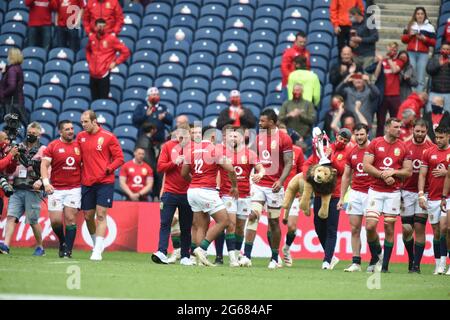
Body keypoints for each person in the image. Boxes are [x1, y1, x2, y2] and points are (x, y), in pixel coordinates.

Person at [239, 109, 293, 269]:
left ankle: (275, 258)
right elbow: (252, 158)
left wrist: (281, 180)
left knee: (274, 222)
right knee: (253, 216)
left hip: (274, 187)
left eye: (263, 121)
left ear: (272, 122)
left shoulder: (284, 138)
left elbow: (289, 162)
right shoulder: (259, 138)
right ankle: (247, 256)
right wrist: (250, 177)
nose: (260, 123)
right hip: (259, 185)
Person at [181, 126, 238, 267]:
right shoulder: (215, 150)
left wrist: (195, 182)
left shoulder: (191, 150)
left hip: (192, 191)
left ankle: (200, 259)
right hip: (206, 191)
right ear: (212, 137)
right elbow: (230, 168)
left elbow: (183, 173)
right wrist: (234, 185)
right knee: (225, 222)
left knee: (201, 225)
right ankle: (202, 248)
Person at [363, 118, 412, 273]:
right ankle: (378, 254)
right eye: (396, 127)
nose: (399, 130)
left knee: (389, 228)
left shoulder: (403, 147)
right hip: (375, 191)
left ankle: (384, 267)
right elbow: (366, 166)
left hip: (393, 193)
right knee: (370, 227)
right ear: (387, 128)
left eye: (400, 127)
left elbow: (408, 171)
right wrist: (383, 175)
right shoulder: (375, 143)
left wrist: (395, 172)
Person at [77, 110, 124, 261]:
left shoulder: (108, 137)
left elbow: (119, 158)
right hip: (87, 182)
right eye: (82, 122)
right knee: (88, 216)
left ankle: (97, 251)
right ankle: (96, 243)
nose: (83, 125)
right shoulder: (80, 137)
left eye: (85, 122)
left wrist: (109, 169)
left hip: (105, 182)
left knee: (101, 215)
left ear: (94, 121)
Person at [303, 128, 352, 270]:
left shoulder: (347, 153)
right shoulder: (323, 148)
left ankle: (326, 260)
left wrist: (331, 159)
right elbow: (309, 163)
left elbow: (342, 170)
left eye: (345, 140)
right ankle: (331, 256)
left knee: (331, 228)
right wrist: (309, 174)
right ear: (336, 136)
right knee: (318, 226)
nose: (342, 142)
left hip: (335, 195)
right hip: (319, 193)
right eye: (341, 138)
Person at [218, 125, 265, 267]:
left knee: (240, 228)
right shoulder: (222, 152)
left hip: (245, 195)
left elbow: (260, 167)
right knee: (230, 224)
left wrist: (260, 174)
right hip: (228, 194)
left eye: (236, 136)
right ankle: (232, 258)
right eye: (231, 136)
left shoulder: (250, 154)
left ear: (242, 137)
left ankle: (238, 255)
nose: (233, 138)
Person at [0, 122, 47, 255]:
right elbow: (10, 167)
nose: (30, 135)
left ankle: (40, 247)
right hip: (16, 187)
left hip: (33, 189)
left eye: (33, 133)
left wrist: (41, 181)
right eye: (29, 132)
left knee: (32, 220)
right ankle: (6, 246)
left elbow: (47, 169)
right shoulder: (18, 147)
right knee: (11, 216)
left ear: (39, 134)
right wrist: (9, 180)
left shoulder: (43, 149)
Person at [152, 123, 193, 265]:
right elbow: (160, 167)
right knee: (165, 223)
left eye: (185, 134)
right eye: (179, 134)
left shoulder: (194, 148)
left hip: (188, 193)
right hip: (170, 191)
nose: (181, 137)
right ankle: (161, 252)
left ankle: (185, 256)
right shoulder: (168, 146)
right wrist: (174, 162)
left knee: (186, 226)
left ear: (189, 134)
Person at [40, 120, 82, 258]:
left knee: (70, 219)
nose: (71, 131)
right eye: (67, 129)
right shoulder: (53, 146)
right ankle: (62, 242)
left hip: (74, 189)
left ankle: (68, 251)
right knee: (56, 222)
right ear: (60, 132)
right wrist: (46, 183)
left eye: (72, 128)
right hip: (56, 189)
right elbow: (44, 165)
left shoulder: (79, 146)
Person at [401, 120, 434, 273]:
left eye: (423, 131)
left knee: (420, 228)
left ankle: (416, 266)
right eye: (417, 131)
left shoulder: (431, 148)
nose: (420, 134)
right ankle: (411, 258)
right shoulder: (404, 146)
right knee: (407, 229)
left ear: (427, 131)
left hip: (424, 193)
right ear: (412, 130)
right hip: (406, 192)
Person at [337, 124, 370, 272]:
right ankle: (356, 262)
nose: (359, 137)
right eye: (357, 135)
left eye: (362, 134)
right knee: (355, 228)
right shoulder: (352, 152)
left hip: (371, 192)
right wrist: (341, 198)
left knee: (371, 228)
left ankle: (376, 258)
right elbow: (346, 176)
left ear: (367, 134)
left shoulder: (374, 149)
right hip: (355, 193)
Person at [418, 125, 450, 275]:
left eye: (441, 137)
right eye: (436, 137)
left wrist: (446, 172)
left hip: (447, 197)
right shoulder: (428, 152)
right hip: (433, 197)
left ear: (448, 136)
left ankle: (445, 262)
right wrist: (421, 194)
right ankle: (438, 264)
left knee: (446, 228)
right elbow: (423, 175)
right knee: (437, 232)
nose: (438, 140)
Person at [86, 18, 130, 101]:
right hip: (92, 74)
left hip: (103, 74)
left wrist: (116, 62)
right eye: (99, 26)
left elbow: (126, 52)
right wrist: (89, 61)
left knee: (103, 100)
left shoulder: (111, 39)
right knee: (94, 100)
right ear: (95, 27)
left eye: (103, 26)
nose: (101, 28)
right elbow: (88, 49)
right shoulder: (92, 38)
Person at [279, 125, 305, 267]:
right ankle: (274, 256)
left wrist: (302, 192)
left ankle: (286, 249)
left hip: (293, 193)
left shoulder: (297, 151)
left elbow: (303, 172)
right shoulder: (271, 151)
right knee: (273, 225)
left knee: (292, 227)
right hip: (275, 191)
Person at [401, 7, 436, 92]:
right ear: (415, 15)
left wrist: (425, 39)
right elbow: (403, 39)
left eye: (422, 14)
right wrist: (410, 35)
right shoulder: (410, 25)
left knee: (421, 76)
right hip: (411, 53)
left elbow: (434, 42)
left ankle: (418, 97)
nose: (420, 15)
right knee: (411, 74)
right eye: (418, 14)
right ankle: (412, 96)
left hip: (423, 54)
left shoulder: (430, 27)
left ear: (425, 15)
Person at [374, 42, 405, 137]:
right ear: (387, 48)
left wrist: (389, 60)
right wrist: (380, 62)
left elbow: (395, 70)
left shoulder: (399, 61)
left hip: (395, 95)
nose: (393, 51)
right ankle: (378, 140)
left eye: (395, 49)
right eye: (391, 48)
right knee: (380, 121)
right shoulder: (382, 61)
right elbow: (376, 75)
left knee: (395, 120)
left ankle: (395, 138)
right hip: (383, 96)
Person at [0, 48, 27, 126]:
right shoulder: (16, 68)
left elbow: (12, 86)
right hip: (16, 100)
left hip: (12, 101)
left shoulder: (12, 70)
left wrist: (3, 94)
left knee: (12, 125)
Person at [280, 31, 311, 99]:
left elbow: (308, 68)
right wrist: (293, 79)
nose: (302, 44)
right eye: (300, 42)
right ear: (295, 41)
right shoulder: (289, 52)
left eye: (304, 42)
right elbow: (284, 68)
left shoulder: (307, 53)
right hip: (289, 85)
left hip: (302, 85)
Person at [426, 41, 450, 113]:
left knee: (448, 116)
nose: (445, 51)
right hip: (435, 92)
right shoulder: (434, 59)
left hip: (448, 93)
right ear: (440, 49)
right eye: (444, 49)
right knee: (430, 114)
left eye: (447, 49)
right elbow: (429, 70)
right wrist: (439, 64)